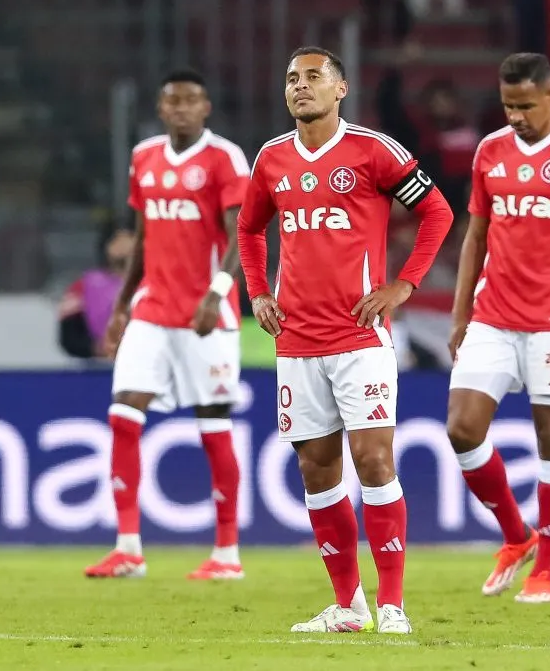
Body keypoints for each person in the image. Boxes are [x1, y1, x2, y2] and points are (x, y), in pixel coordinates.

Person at [237, 46, 453, 634]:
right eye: (291, 79)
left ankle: (394, 605)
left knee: (374, 458)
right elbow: (251, 227)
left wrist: (403, 285)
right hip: (297, 340)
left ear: (341, 89)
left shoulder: (372, 151)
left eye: (312, 77)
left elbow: (437, 212)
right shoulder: (272, 159)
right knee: (316, 470)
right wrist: (258, 291)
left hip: (360, 336)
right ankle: (348, 605)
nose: (300, 87)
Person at [446, 53, 550, 604]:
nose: (515, 115)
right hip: (492, 315)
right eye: (507, 105)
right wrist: (459, 313)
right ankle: (514, 536)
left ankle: (545, 569)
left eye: (524, 105)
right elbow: (475, 235)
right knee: (461, 430)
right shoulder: (489, 150)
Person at [84, 70, 250, 581]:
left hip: (206, 315)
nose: (180, 109)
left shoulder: (225, 158)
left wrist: (218, 294)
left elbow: (241, 236)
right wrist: (121, 303)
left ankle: (226, 553)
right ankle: (129, 547)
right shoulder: (144, 157)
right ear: (161, 109)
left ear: (206, 108)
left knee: (214, 426)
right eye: (171, 101)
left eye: (190, 101)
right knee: (122, 414)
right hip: (152, 310)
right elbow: (143, 235)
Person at [58, 227, 135, 359]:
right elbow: (69, 336)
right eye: (118, 241)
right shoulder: (82, 286)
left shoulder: (151, 284)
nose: (124, 247)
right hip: (96, 367)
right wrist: (96, 348)